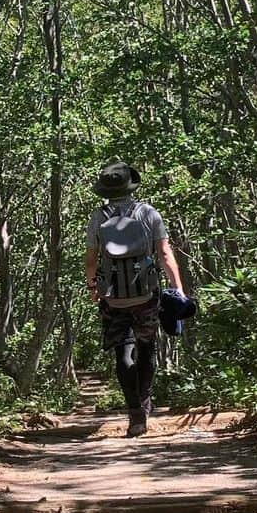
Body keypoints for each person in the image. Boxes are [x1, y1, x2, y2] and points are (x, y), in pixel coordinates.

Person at [84, 159, 186, 438]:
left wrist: (94, 287)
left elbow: (92, 258)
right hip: (145, 295)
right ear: (131, 186)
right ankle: (144, 403)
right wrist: (177, 287)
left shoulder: (98, 217)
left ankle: (134, 413)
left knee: (123, 352)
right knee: (147, 348)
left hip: (113, 296)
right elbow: (165, 254)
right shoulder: (149, 213)